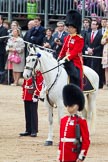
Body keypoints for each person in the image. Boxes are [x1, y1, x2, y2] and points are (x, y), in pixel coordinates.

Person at [58, 83, 90, 162]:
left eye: (72, 106)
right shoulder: (63, 120)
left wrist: (81, 156)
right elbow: (61, 140)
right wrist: (59, 155)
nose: (69, 108)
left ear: (78, 106)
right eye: (68, 105)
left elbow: (86, 141)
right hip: (63, 156)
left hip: (73, 156)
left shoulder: (81, 121)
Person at [58, 10, 84, 89]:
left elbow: (75, 52)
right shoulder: (67, 38)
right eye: (68, 27)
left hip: (75, 61)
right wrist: (59, 57)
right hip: (65, 59)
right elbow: (63, 49)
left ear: (75, 28)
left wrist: (67, 58)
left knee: (74, 74)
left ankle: (76, 88)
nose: (69, 29)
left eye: (71, 27)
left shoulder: (79, 39)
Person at [20, 71, 43, 137]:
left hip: (33, 94)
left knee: (33, 113)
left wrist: (37, 94)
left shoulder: (37, 72)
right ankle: (28, 130)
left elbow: (39, 83)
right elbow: (25, 82)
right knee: (27, 112)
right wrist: (24, 91)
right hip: (26, 94)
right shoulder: (27, 70)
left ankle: (34, 130)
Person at [101, 20, 108, 89]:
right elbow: (102, 42)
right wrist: (106, 40)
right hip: (106, 52)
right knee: (106, 68)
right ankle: (107, 83)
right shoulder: (106, 32)